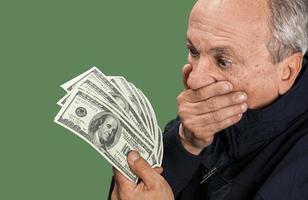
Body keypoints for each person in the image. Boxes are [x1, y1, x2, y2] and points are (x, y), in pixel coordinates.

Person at [109, 0, 308, 199]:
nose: (195, 80)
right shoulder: (205, 118)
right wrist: (185, 144)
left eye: (223, 61)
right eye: (194, 51)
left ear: (287, 71)